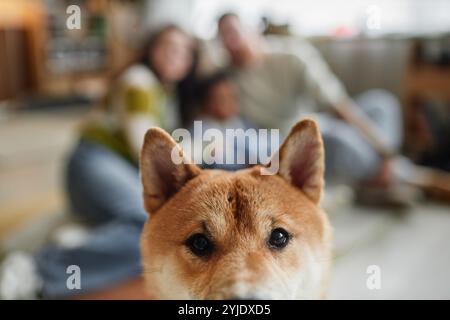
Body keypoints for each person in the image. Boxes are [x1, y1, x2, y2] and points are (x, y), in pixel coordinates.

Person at [0, 25, 197, 299]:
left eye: (186, 51)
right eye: (169, 47)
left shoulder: (166, 93)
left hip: (112, 167)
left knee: (155, 230)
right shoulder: (138, 81)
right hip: (92, 160)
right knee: (149, 228)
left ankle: (75, 240)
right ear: (152, 49)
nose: (178, 55)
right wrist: (203, 151)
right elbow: (143, 144)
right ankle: (34, 270)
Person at [215, 13, 450, 204]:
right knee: (341, 138)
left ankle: (383, 176)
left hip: (315, 122)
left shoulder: (291, 55)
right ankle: (414, 178)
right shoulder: (225, 78)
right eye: (224, 38)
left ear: (251, 30)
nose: (232, 42)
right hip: (283, 140)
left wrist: (384, 151)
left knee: (382, 103)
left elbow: (337, 104)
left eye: (234, 33)